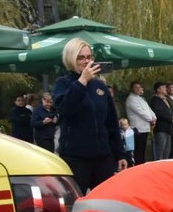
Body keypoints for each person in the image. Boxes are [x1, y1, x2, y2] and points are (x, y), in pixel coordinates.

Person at [52, 38, 127, 193]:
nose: (86, 61)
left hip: (102, 156)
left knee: (107, 201)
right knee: (76, 201)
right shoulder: (63, 84)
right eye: (81, 58)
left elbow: (111, 122)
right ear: (71, 58)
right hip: (76, 157)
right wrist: (82, 81)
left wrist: (120, 154)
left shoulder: (100, 86)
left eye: (89, 57)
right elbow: (66, 109)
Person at [124, 81, 155, 164]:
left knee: (142, 150)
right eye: (135, 87)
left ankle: (141, 164)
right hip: (138, 128)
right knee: (138, 151)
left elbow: (148, 109)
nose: (138, 89)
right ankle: (138, 165)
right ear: (132, 89)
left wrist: (154, 117)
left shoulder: (141, 98)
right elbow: (140, 111)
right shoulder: (131, 98)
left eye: (139, 87)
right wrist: (150, 119)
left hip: (145, 128)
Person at [148, 82, 173, 162]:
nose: (165, 89)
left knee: (166, 151)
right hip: (160, 128)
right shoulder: (155, 100)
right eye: (163, 88)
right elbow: (159, 112)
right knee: (160, 150)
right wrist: (170, 118)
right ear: (158, 89)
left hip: (167, 129)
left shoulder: (164, 99)